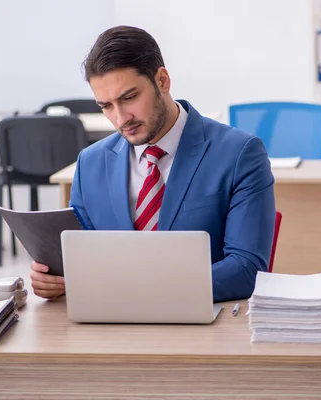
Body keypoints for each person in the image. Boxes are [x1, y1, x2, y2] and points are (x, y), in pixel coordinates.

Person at [30, 25, 276, 303]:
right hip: (110, 325)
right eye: (106, 106)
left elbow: (247, 268)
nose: (121, 118)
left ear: (162, 80)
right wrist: (56, 278)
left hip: (201, 323)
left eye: (129, 97)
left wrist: (144, 290)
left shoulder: (239, 153)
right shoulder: (90, 164)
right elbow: (82, 259)